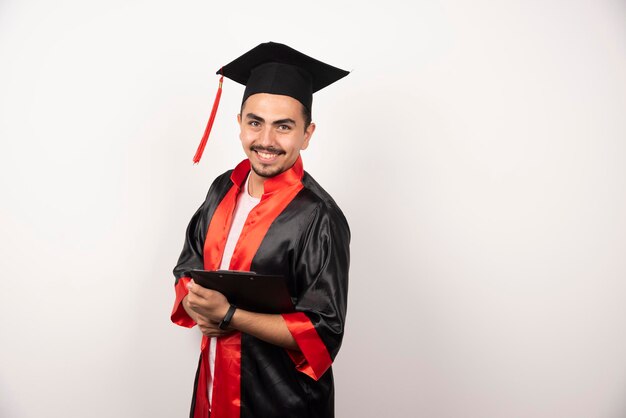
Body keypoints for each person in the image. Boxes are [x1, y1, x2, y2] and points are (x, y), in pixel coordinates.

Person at [170, 42, 350, 418]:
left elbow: (323, 332)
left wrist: (229, 314)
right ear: (239, 124)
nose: (266, 141)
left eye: (283, 126)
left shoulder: (319, 216)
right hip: (212, 391)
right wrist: (197, 306)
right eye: (255, 122)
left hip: (281, 404)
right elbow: (188, 268)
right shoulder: (222, 189)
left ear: (307, 133)